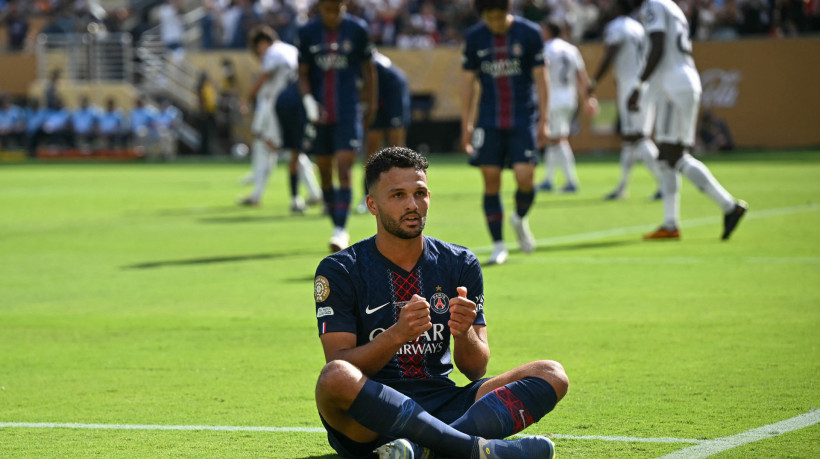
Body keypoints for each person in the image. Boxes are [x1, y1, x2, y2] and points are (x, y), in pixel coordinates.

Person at [314, 146, 567, 459]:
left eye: (420, 193)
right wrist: (396, 335)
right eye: (398, 195)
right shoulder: (341, 269)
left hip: (445, 403)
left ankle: (420, 451)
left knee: (551, 374)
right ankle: (471, 449)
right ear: (372, 205)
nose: (412, 205)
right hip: (369, 417)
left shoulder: (459, 263)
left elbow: (476, 369)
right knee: (334, 377)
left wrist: (464, 334)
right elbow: (339, 364)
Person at [629, 0, 747, 240]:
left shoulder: (653, 5)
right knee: (665, 157)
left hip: (673, 86)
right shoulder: (671, 6)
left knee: (675, 155)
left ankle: (729, 206)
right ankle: (670, 224)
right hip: (679, 83)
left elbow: (658, 46)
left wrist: (639, 86)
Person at [461, 0, 549, 266]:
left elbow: (541, 78)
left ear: (509, 12)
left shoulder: (530, 33)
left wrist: (544, 120)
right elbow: (469, 83)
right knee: (491, 180)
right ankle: (499, 245)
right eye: (490, 19)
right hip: (489, 121)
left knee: (525, 176)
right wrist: (467, 122)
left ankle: (519, 218)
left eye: (500, 17)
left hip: (522, 118)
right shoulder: (475, 37)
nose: (496, 24)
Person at [297, 0, 377, 252]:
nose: (332, 15)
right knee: (324, 170)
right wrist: (308, 101)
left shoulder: (357, 30)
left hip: (347, 110)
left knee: (344, 167)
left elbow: (368, 69)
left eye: (337, 9)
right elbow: (302, 72)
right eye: (327, 9)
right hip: (319, 114)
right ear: (319, 7)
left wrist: (371, 103)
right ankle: (336, 222)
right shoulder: (307, 32)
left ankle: (340, 229)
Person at [588, 0, 663, 200]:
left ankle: (665, 183)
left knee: (638, 137)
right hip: (641, 83)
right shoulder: (638, 27)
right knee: (630, 139)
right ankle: (622, 187)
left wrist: (594, 81)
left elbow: (609, 56)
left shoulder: (617, 26)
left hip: (631, 87)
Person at [539, 20, 598, 194]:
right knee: (553, 138)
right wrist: (589, 98)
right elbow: (582, 76)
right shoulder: (571, 49)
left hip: (553, 97)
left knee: (558, 139)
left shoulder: (546, 48)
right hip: (569, 97)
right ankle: (548, 180)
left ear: (548, 31)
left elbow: (539, 74)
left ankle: (571, 181)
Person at [356, 50, 411, 214]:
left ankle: (403, 194)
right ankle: (367, 195)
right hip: (376, 98)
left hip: (394, 93)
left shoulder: (361, 54)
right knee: (371, 147)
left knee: (397, 148)